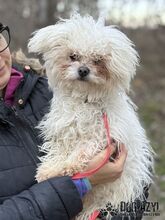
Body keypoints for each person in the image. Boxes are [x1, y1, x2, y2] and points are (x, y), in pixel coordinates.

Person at [0, 22, 129, 220]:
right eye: (74, 57)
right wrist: (81, 184)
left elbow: (134, 184)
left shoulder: (56, 89)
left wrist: (114, 212)